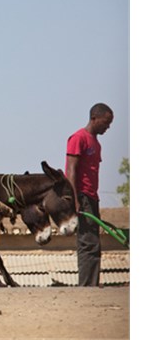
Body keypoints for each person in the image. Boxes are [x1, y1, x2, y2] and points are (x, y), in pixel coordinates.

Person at [65, 103, 114, 287]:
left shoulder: (96, 143)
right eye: (106, 122)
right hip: (82, 196)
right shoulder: (79, 138)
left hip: (92, 197)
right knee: (87, 242)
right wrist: (74, 200)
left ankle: (92, 284)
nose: (107, 127)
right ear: (94, 118)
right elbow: (71, 170)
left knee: (94, 242)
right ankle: (86, 287)